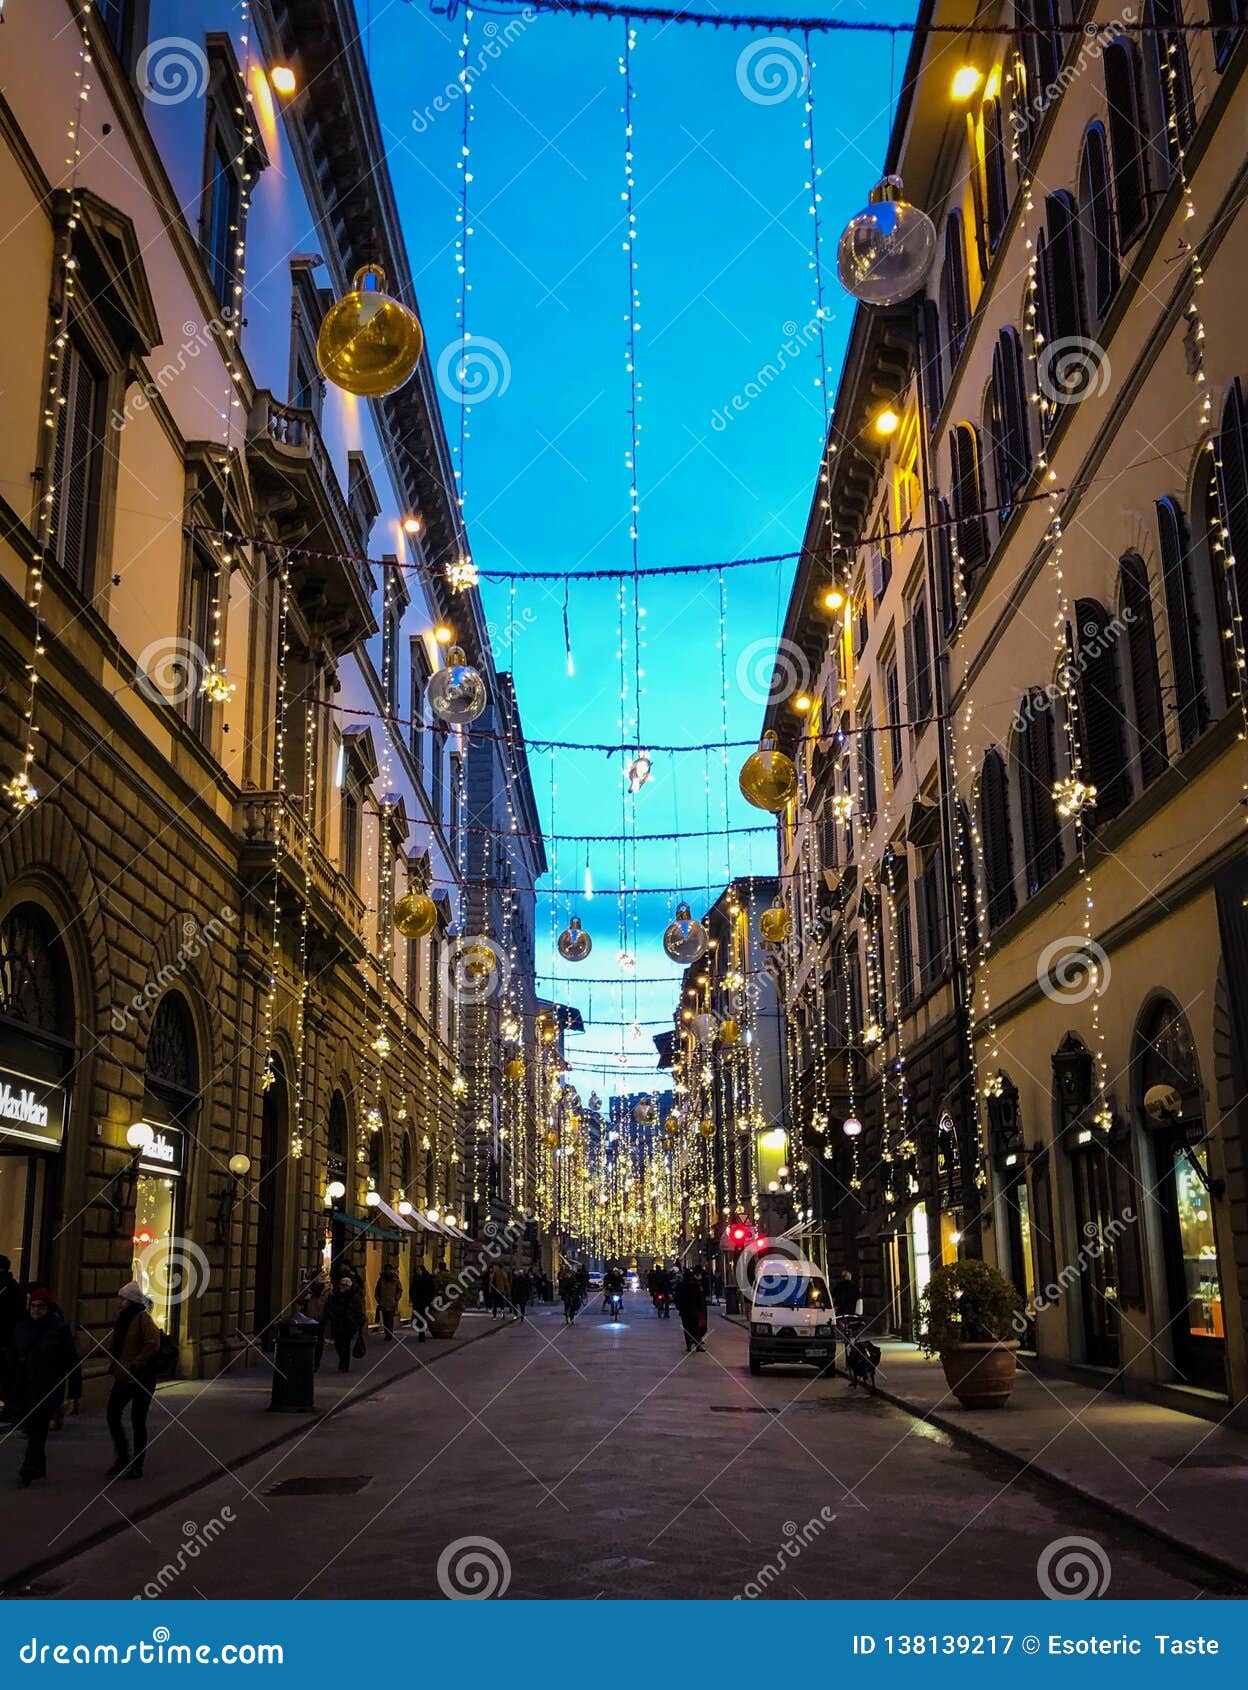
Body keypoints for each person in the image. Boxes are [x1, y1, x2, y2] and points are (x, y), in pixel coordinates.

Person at [11, 1288, 81, 1487]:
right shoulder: (22, 1327)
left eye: (40, 1306)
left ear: (48, 1308)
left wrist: (75, 1392)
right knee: (34, 1430)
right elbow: (14, 1357)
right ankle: (38, 1466)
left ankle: (28, 1470)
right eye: (32, 1306)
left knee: (37, 1428)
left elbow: (71, 1361)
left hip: (49, 1387)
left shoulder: (59, 1330)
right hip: (25, 1386)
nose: (35, 1310)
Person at [105, 1281, 161, 1480]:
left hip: (142, 1378)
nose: (119, 1302)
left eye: (122, 1299)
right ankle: (122, 1457)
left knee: (138, 1420)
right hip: (123, 1376)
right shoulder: (122, 1320)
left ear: (130, 1301)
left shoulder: (143, 1319)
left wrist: (137, 1363)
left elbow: (152, 1344)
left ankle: (137, 1464)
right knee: (112, 1415)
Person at [0, 1254, 24, 1423]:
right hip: (6, 1341)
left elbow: (14, 1317)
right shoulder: (10, 1288)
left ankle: (11, 1409)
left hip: (7, 1342)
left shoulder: (13, 1290)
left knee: (7, 1377)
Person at [326, 1275, 365, 1372]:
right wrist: (331, 1315)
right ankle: (342, 1360)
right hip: (337, 1322)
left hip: (348, 1324)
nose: (342, 1287)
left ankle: (344, 1364)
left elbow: (358, 1311)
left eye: (344, 1285)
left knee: (346, 1344)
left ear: (349, 1286)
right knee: (338, 1344)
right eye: (341, 1285)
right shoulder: (335, 1295)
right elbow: (330, 1306)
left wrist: (359, 1321)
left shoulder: (354, 1297)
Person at [673, 1267, 707, 1354]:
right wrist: (700, 1309)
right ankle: (698, 1345)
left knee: (686, 1328)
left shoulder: (680, 1286)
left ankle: (688, 1345)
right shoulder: (695, 1286)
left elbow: (676, 1298)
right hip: (694, 1310)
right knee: (696, 1327)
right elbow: (700, 1298)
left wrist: (679, 1308)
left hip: (684, 1310)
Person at [300, 1273, 329, 1371]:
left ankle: (315, 1363)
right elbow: (299, 1300)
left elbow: (329, 1303)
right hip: (309, 1318)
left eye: (322, 1277)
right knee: (310, 1340)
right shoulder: (308, 1289)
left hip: (320, 1318)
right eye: (319, 1277)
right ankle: (310, 1362)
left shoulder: (327, 1289)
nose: (321, 1279)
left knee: (318, 1342)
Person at [374, 1263, 402, 1342]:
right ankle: (387, 1334)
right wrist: (378, 1300)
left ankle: (389, 1335)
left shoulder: (395, 1280)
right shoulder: (381, 1280)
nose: (388, 1271)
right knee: (385, 1320)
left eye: (390, 1269)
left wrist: (396, 1298)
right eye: (387, 1269)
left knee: (390, 1319)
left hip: (391, 1302)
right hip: (383, 1303)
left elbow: (399, 1290)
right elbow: (377, 1291)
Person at [409, 1261, 436, 1342]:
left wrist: (429, 1300)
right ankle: (421, 1333)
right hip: (417, 1303)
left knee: (422, 1318)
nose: (417, 1271)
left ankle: (422, 1335)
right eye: (416, 1270)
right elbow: (412, 1290)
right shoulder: (416, 1278)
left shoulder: (427, 1278)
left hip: (424, 1302)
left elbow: (432, 1290)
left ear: (422, 1270)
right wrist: (413, 1299)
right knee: (419, 1318)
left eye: (418, 1270)